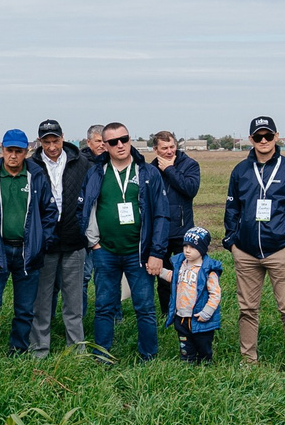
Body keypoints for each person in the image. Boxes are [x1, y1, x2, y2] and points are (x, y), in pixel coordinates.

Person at [220, 116, 285, 372]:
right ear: (251, 139)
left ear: (277, 137)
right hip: (246, 252)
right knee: (247, 309)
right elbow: (232, 208)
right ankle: (248, 361)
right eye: (258, 137)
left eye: (268, 136)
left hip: (280, 251)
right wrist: (232, 242)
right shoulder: (240, 171)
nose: (263, 141)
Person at [81, 122, 171, 361]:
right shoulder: (96, 172)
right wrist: (94, 243)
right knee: (103, 307)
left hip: (138, 253)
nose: (120, 145)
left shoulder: (147, 173)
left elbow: (162, 214)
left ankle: (148, 356)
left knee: (145, 308)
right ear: (105, 146)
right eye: (113, 142)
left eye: (124, 139)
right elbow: (87, 207)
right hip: (105, 252)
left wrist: (156, 252)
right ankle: (101, 355)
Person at [0, 129, 53, 361]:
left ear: (27, 152)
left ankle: (17, 351)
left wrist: (40, 242)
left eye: (18, 151)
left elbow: (49, 212)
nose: (13, 156)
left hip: (27, 253)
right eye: (9, 150)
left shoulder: (36, 176)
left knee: (25, 310)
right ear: (2, 150)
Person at [27, 120, 89, 358]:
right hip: (45, 242)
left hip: (74, 240)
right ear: (40, 141)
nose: (52, 147)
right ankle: (39, 349)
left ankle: (76, 349)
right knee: (41, 301)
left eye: (56, 141)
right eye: (47, 142)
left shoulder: (81, 163)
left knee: (73, 303)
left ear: (63, 138)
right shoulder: (32, 165)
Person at [148, 132, 202, 319]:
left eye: (172, 147)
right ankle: (166, 312)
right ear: (155, 149)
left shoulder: (189, 165)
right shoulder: (149, 169)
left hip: (182, 231)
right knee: (162, 276)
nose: (170, 151)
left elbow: (190, 189)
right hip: (159, 232)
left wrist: (170, 170)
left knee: (184, 275)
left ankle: (185, 311)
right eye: (164, 148)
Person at [166, 227, 223, 363]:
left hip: (200, 317)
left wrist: (207, 312)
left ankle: (205, 362)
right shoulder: (181, 265)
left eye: (192, 247)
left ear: (202, 249)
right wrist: (159, 272)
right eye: (185, 245)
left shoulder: (208, 270)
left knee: (203, 344)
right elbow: (174, 278)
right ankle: (187, 361)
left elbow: (215, 294)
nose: (187, 250)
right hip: (181, 316)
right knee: (185, 345)